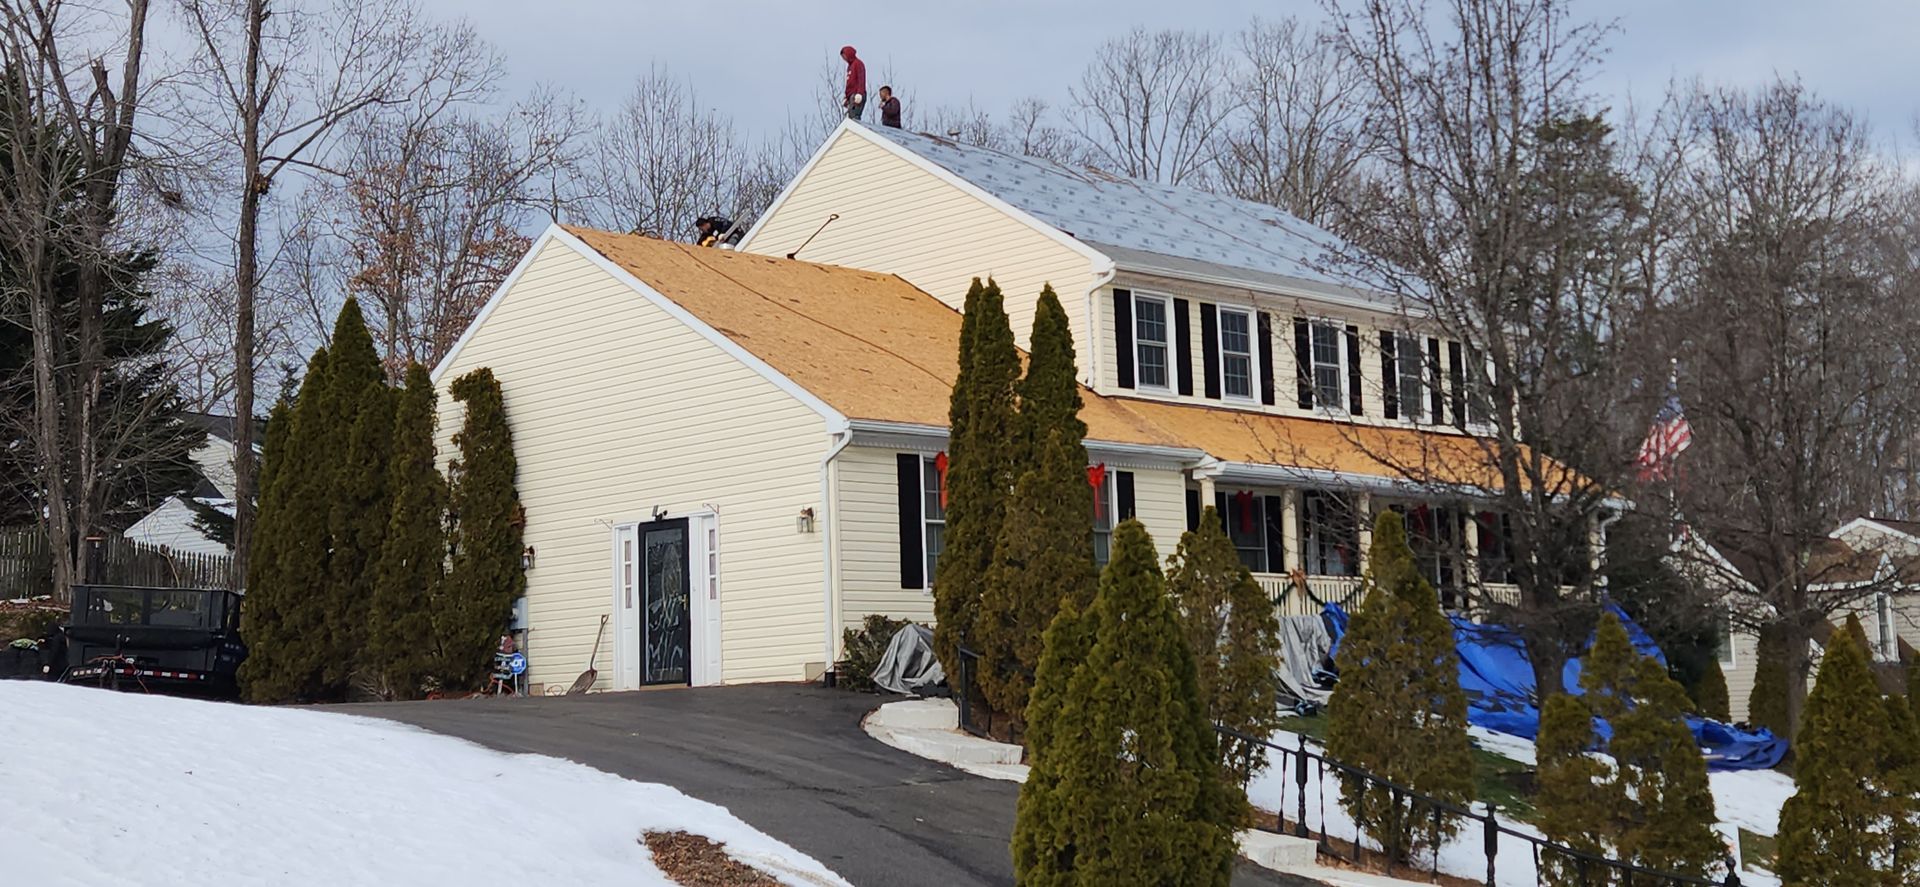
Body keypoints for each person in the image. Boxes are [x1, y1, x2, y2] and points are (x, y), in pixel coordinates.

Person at [839, 45, 866, 120]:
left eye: (844, 56)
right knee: (850, 116)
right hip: (851, 95)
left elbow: (861, 79)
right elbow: (849, 83)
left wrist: (860, 93)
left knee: (854, 117)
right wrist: (847, 97)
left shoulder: (858, 63)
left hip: (857, 94)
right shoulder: (850, 67)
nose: (844, 59)